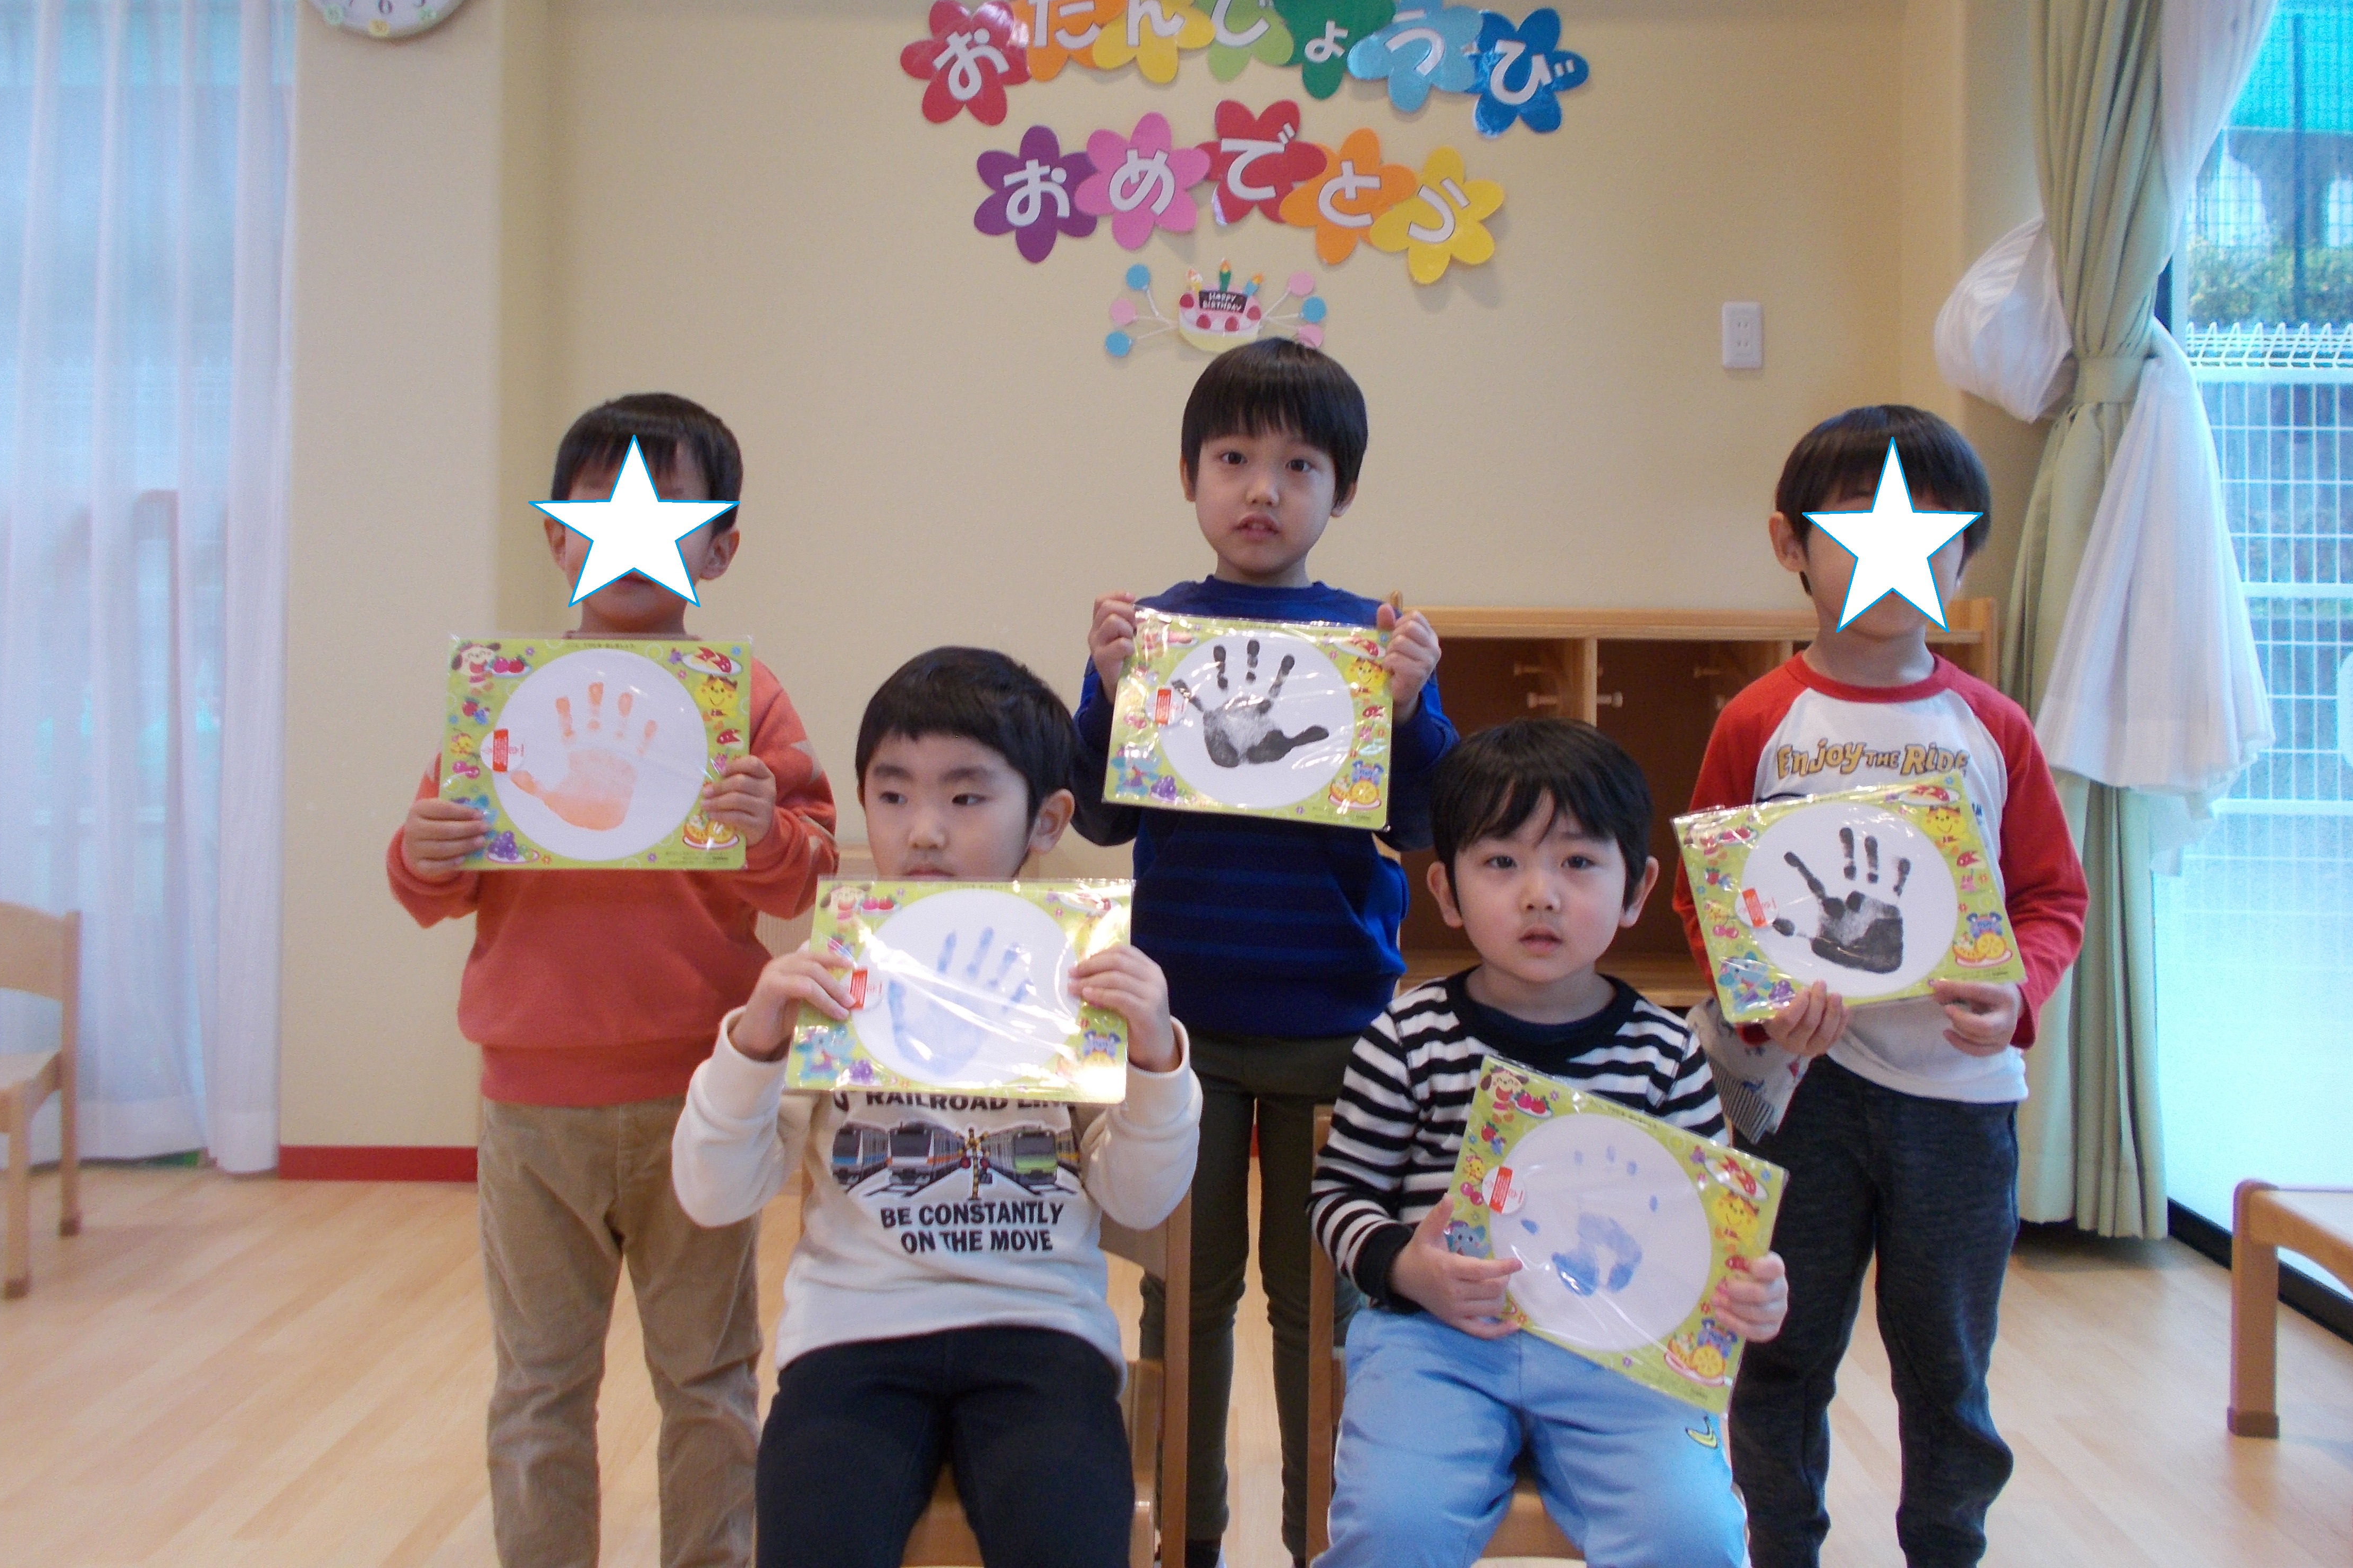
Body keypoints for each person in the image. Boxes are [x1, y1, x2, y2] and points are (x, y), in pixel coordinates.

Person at [388, 392, 837, 1568]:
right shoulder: (506, 699)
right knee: (540, 1384)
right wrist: (423, 852)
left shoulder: (749, 699)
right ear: (557, 538)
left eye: (670, 512)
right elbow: (434, 883)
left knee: (709, 1378)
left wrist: (765, 829)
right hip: (533, 1105)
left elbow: (807, 876)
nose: (631, 537)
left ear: (720, 548)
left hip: (704, 1092)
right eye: (599, 511)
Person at [671, 647, 1200, 1568]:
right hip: (851, 1339)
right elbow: (713, 1196)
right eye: (892, 795)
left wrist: (1156, 1061)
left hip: (1043, 1336)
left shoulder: (1077, 977)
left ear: (1048, 819)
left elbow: (1140, 1197)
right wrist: (753, 1044)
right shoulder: (828, 979)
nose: (923, 831)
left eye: (966, 798)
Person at [1671, 404, 2088, 1568]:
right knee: (1783, 1352)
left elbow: (2051, 897)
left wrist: (2018, 992)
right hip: (1799, 1097)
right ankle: (1782, 1547)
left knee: (1947, 1364)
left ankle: (1946, 1547)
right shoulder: (1760, 720)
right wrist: (1758, 1003)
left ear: (1967, 556)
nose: (1896, 560)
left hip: (1959, 1100)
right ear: (1789, 545)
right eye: (1855, 531)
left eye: (1932, 537)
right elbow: (1707, 894)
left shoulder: (1991, 726)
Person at [1069, 337, 1458, 1567]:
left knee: (1321, 1303)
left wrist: (1414, 708)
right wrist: (1107, 688)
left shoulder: (1367, 638)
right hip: (1176, 1029)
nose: (1262, 489)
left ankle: (1317, 1542)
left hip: (1332, 1019)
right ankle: (1186, 1541)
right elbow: (1102, 818)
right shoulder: (1158, 631)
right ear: (1189, 476)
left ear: (1343, 491)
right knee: (1184, 1296)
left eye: (1299, 466)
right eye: (1233, 458)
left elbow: (1428, 823)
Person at [1310, 718, 1787, 1567]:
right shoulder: (1407, 1037)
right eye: (1502, 862)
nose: (1541, 894)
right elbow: (1340, 1194)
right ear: (1447, 892)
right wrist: (1406, 1268)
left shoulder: (1667, 1054)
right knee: (1393, 1527)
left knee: (1694, 1535)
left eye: (1578, 862)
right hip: (1437, 1343)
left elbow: (1710, 1231)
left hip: (1620, 1355)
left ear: (1637, 888)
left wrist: (1750, 1289)